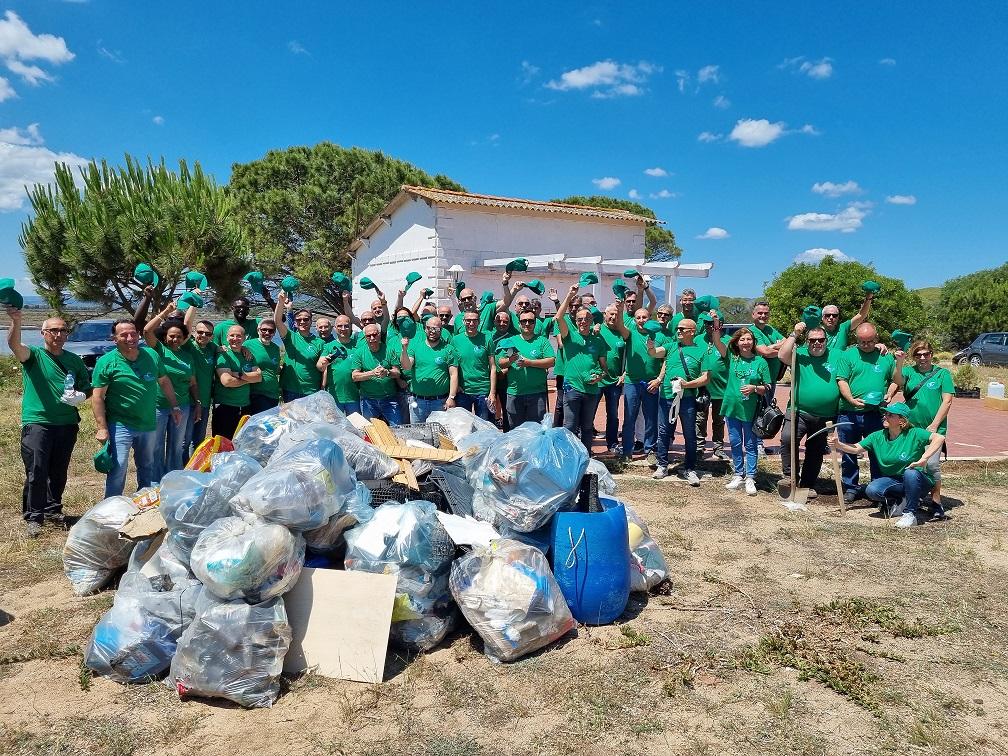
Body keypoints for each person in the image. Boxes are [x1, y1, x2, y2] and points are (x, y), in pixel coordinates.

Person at [7, 308, 91, 537]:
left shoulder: (73, 360)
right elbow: (15, 346)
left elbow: (87, 386)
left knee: (58, 470)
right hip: (38, 422)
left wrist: (82, 395)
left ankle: (53, 510)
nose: (58, 334)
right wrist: (16, 321)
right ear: (43, 333)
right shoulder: (34, 355)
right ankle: (34, 517)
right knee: (36, 469)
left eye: (63, 330)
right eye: (53, 330)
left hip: (66, 423)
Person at [92, 319, 181, 497]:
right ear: (114, 338)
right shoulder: (107, 362)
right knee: (118, 469)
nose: (130, 337)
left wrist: (175, 406)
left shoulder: (151, 356)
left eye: (133, 333)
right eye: (123, 335)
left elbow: (164, 381)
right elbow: (98, 397)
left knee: (147, 466)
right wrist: (102, 428)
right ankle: (111, 508)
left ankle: (144, 506)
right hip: (120, 424)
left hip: (148, 423)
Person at [828, 402, 946, 527]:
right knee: (872, 490)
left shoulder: (914, 433)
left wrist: (924, 458)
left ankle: (910, 514)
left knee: (910, 473)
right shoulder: (877, 436)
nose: (885, 416)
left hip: (918, 480)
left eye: (890, 415)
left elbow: (939, 438)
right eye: (885, 413)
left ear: (902, 420)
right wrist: (839, 445)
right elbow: (856, 448)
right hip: (894, 480)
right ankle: (902, 500)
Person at [835, 323, 901, 503]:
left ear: (876, 338)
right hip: (849, 413)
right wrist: (851, 399)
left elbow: (895, 380)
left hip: (876, 413)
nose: (866, 345)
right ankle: (850, 487)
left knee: (877, 451)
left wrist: (890, 393)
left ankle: (877, 486)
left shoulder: (885, 356)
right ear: (857, 339)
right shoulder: (848, 355)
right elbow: (842, 380)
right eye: (862, 342)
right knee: (848, 451)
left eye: (870, 341)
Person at [777, 323, 841, 498]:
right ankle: (790, 477)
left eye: (821, 340)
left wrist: (879, 346)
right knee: (788, 439)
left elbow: (858, 353)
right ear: (807, 342)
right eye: (813, 340)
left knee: (816, 449)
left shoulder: (837, 355)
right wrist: (795, 333)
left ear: (826, 341)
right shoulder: (800, 354)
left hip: (826, 415)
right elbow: (782, 355)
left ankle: (807, 484)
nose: (817, 343)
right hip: (798, 410)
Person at [889, 339, 953, 508]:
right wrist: (900, 362)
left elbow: (947, 401)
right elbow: (897, 380)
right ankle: (912, 496)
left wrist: (934, 424)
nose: (923, 358)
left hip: (933, 428)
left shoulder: (942, 374)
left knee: (931, 465)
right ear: (914, 356)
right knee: (909, 463)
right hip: (910, 427)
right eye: (918, 355)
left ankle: (935, 500)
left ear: (931, 355)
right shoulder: (909, 372)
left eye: (926, 354)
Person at [646, 318, 708, 485]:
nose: (678, 331)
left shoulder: (701, 350)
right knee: (664, 432)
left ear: (692, 331)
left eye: (682, 328)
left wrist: (687, 384)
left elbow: (706, 377)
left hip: (687, 399)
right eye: (677, 329)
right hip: (666, 397)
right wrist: (650, 344)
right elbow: (653, 353)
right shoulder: (672, 346)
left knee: (690, 434)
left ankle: (689, 468)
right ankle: (662, 465)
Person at [711, 324, 771, 496]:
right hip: (732, 407)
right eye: (742, 339)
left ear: (753, 342)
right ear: (737, 343)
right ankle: (738, 474)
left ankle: (750, 477)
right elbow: (717, 342)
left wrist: (754, 388)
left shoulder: (760, 362)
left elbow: (767, 386)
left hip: (751, 409)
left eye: (749, 339)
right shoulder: (732, 358)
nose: (746, 342)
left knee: (751, 444)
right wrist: (716, 326)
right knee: (735, 442)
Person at [142, 302, 199, 481]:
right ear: (165, 337)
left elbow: (193, 383)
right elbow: (146, 331)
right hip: (159, 405)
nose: (175, 339)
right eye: (171, 336)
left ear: (183, 338)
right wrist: (165, 311)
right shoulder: (159, 350)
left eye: (179, 336)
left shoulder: (187, 356)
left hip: (182, 406)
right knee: (157, 445)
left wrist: (197, 403)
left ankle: (174, 480)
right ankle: (156, 481)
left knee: (176, 446)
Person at [554, 283, 607, 449]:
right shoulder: (569, 336)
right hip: (572, 389)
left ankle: (586, 457)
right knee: (569, 426)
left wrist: (600, 376)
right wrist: (570, 294)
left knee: (587, 427)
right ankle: (568, 456)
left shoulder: (598, 341)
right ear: (576, 321)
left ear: (592, 320)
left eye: (586, 319)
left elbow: (604, 368)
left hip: (591, 390)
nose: (583, 321)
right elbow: (559, 317)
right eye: (580, 319)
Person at [496, 310, 555, 427]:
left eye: (530, 321)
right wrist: (510, 360)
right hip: (515, 394)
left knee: (536, 432)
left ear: (535, 323)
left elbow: (551, 361)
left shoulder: (542, 340)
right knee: (516, 432)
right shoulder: (511, 341)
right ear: (519, 324)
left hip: (537, 394)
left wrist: (529, 363)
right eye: (523, 321)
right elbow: (501, 363)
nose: (527, 324)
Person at [621, 308, 663, 460]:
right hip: (632, 382)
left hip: (651, 383)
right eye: (638, 317)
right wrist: (620, 309)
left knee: (651, 418)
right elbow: (620, 326)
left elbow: (665, 360)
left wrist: (659, 379)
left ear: (649, 317)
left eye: (644, 317)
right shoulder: (630, 334)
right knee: (629, 418)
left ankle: (650, 450)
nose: (641, 320)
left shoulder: (659, 335)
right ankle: (627, 451)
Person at [400, 316, 459, 422]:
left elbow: (453, 375)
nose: (432, 331)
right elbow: (406, 366)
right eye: (429, 328)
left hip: (440, 402)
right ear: (425, 329)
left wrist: (451, 397)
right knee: (418, 435)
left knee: (439, 436)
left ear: (441, 330)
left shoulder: (448, 349)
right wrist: (404, 350)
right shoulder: (415, 347)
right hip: (418, 402)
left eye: (436, 329)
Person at [213, 324, 262, 438]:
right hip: (225, 406)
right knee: (223, 442)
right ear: (226, 337)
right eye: (232, 335)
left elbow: (259, 377)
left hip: (245, 406)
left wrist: (239, 375)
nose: (235, 339)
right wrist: (249, 379)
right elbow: (227, 381)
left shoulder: (247, 355)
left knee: (240, 441)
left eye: (239, 336)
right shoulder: (223, 354)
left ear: (244, 338)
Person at [274, 292, 324, 401]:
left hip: (311, 390)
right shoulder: (290, 336)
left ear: (311, 321)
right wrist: (281, 302)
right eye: (299, 320)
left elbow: (323, 368)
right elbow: (277, 321)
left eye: (306, 319)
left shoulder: (319, 342)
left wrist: (323, 387)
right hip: (290, 389)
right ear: (295, 323)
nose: (302, 321)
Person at [352, 323, 403, 424]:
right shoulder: (359, 352)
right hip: (368, 400)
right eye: (368, 336)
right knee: (369, 432)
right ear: (365, 337)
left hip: (389, 399)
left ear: (379, 334)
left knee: (398, 429)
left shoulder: (389, 350)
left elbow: (397, 372)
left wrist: (387, 372)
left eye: (374, 335)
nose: (372, 338)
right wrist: (372, 373)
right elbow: (355, 376)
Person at [451, 309, 497, 421]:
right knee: (464, 428)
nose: (471, 324)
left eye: (474, 321)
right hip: (463, 392)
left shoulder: (487, 339)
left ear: (479, 322)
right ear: (463, 321)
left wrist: (492, 392)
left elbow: (493, 367)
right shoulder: (455, 340)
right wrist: (456, 387)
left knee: (485, 429)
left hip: (483, 391)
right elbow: (452, 368)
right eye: (468, 320)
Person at [695, 312, 729, 461]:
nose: (709, 326)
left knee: (719, 420)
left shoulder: (728, 340)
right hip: (702, 388)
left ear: (720, 325)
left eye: (712, 323)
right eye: (707, 323)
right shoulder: (697, 340)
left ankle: (718, 448)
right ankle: (699, 447)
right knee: (700, 419)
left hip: (721, 388)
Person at [184, 319, 217, 456]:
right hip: (187, 402)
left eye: (207, 334)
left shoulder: (212, 348)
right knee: (184, 441)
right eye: (200, 332)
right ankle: (181, 471)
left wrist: (244, 349)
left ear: (212, 336)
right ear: (193, 332)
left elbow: (230, 349)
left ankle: (194, 471)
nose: (203, 335)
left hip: (204, 402)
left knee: (199, 440)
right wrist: (192, 304)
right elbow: (186, 323)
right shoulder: (188, 346)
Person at [599, 304, 628, 454]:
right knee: (588, 414)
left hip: (614, 381)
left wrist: (624, 374)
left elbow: (630, 356)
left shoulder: (622, 334)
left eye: (616, 315)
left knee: (613, 414)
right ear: (604, 314)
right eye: (610, 314)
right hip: (596, 381)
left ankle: (612, 443)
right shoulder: (596, 330)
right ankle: (584, 444)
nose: (613, 317)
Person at [318, 314, 362, 415]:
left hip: (354, 397)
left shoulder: (357, 346)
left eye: (346, 326)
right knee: (335, 429)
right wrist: (324, 363)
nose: (343, 329)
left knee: (355, 428)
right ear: (334, 328)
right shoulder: (328, 346)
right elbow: (320, 366)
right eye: (340, 326)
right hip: (334, 397)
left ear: (350, 327)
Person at [244, 319, 282, 414]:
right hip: (257, 394)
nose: (267, 333)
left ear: (274, 333)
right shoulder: (248, 345)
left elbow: (275, 369)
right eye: (264, 330)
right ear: (258, 330)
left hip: (273, 394)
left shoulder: (276, 348)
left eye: (271, 330)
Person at [490, 309, 514, 430]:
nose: (502, 324)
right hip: (489, 381)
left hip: (506, 381)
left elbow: (513, 357)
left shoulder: (511, 340)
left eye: (505, 322)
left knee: (507, 411)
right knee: (489, 412)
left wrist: (506, 370)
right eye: (499, 321)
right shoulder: (488, 336)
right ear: (494, 322)